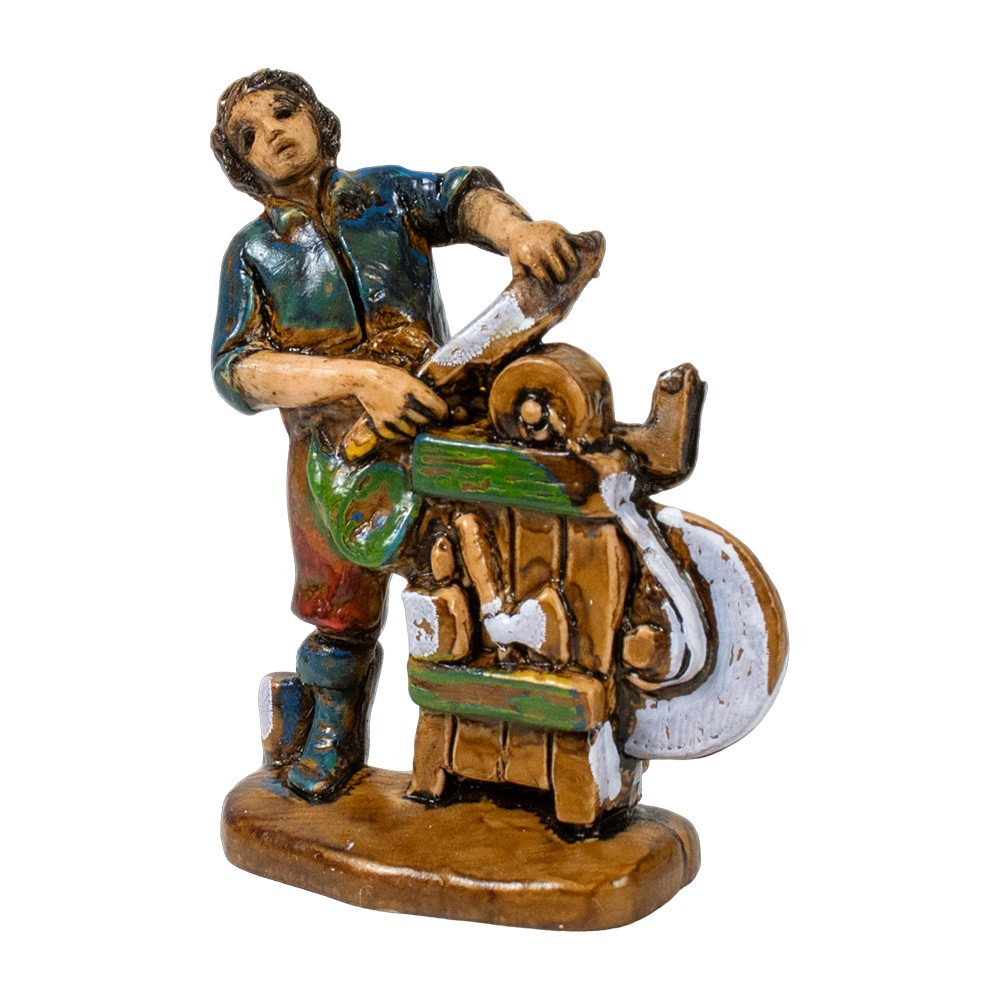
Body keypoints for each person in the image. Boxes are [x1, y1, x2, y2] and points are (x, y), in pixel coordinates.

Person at [211, 69, 580, 799]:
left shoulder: (383, 197)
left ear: (318, 119)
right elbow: (237, 370)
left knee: (467, 577)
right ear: (241, 165)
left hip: (436, 433)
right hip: (331, 459)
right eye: (250, 135)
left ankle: (487, 748)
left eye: (285, 113)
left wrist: (516, 230)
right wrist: (356, 381)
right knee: (339, 606)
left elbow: (458, 195)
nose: (275, 134)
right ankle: (329, 736)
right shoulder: (254, 253)